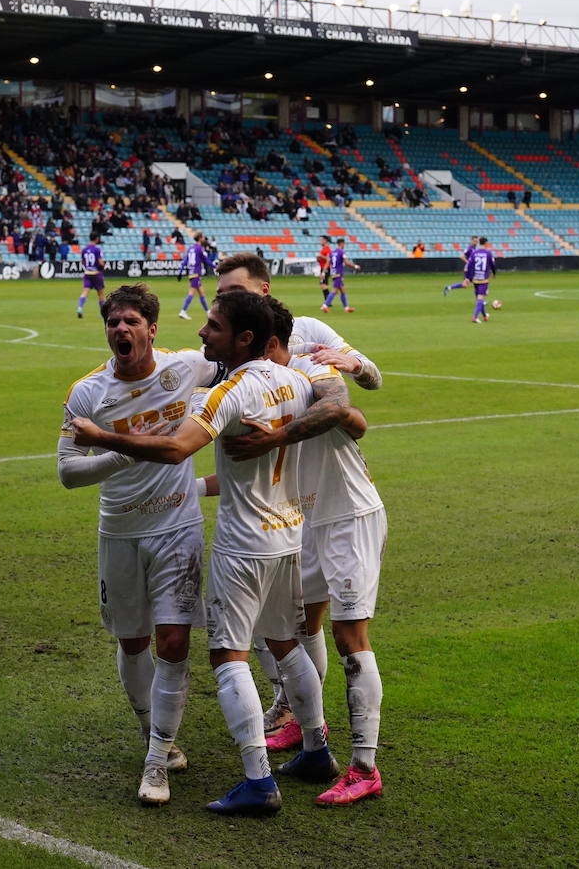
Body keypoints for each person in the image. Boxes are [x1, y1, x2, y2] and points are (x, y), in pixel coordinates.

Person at [67, 290, 351, 817]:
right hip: (288, 533)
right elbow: (340, 410)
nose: (200, 334)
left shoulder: (224, 393)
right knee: (287, 643)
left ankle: (257, 781)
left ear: (243, 338)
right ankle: (317, 749)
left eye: (213, 327)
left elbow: (177, 448)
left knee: (228, 656)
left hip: (243, 545)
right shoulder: (294, 378)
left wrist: (105, 437)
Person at [216, 299, 388, 806]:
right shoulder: (260, 386)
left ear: (265, 339)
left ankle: (364, 768)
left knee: (349, 634)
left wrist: (278, 437)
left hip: (347, 515)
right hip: (303, 519)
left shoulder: (311, 367)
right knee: (294, 628)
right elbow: (354, 422)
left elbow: (343, 409)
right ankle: (310, 736)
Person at [57, 284, 221, 806]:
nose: (121, 330)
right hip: (120, 533)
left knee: (174, 642)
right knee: (132, 642)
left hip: (178, 527)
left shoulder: (186, 368)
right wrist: (125, 456)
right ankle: (155, 731)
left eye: (131, 321)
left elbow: (245, 366)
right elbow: (67, 473)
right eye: (113, 323)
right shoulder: (87, 394)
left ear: (152, 328)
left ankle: (156, 763)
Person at [214, 252, 382, 393]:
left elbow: (375, 381)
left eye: (236, 290)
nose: (227, 299)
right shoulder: (215, 343)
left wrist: (355, 365)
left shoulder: (308, 328)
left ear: (264, 290)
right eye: (221, 293)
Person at [176, 233, 216, 321]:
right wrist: (216, 267)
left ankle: (208, 312)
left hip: (191, 273)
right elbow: (206, 260)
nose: (204, 239)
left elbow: (185, 261)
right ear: (200, 238)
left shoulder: (191, 248)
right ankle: (183, 311)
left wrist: (180, 271)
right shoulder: (199, 248)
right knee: (191, 292)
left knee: (202, 293)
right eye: (203, 237)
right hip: (196, 273)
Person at [321, 238, 361, 314]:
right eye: (344, 244)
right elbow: (346, 262)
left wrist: (323, 272)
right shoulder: (341, 252)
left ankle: (346, 308)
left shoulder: (332, 252)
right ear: (341, 244)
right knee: (335, 290)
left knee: (342, 290)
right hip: (338, 274)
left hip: (333, 273)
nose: (344, 245)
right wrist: (355, 266)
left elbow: (327, 263)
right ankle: (325, 306)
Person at [464, 237, 496, 323]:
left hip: (475, 278)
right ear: (486, 244)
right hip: (484, 279)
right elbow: (493, 265)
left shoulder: (474, 253)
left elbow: (469, 266)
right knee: (481, 298)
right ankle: (475, 317)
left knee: (478, 298)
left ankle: (485, 316)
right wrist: (494, 273)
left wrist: (467, 278)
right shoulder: (488, 253)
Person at [76, 233, 106, 319]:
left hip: (87, 273)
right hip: (96, 273)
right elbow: (100, 262)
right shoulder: (97, 249)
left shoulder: (84, 249)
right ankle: (102, 313)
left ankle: (80, 308)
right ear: (96, 239)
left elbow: (82, 261)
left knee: (85, 291)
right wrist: (103, 266)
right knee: (101, 294)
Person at [315, 236, 332, 303]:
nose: (320, 241)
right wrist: (318, 259)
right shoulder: (323, 249)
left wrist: (321, 256)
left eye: (321, 240)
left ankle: (328, 301)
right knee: (323, 284)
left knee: (323, 284)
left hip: (326, 268)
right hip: (323, 268)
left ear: (325, 240)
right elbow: (322, 260)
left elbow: (328, 259)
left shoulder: (327, 249)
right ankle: (328, 301)